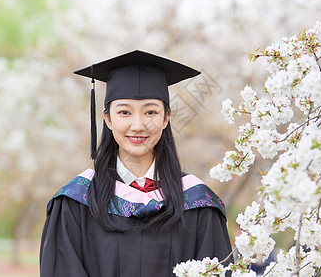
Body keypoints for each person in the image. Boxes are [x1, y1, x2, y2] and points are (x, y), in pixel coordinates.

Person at [40, 50, 233, 276]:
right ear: (108, 118)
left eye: (150, 112)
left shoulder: (198, 204)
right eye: (124, 112)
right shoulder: (75, 203)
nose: (138, 125)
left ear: (166, 118)